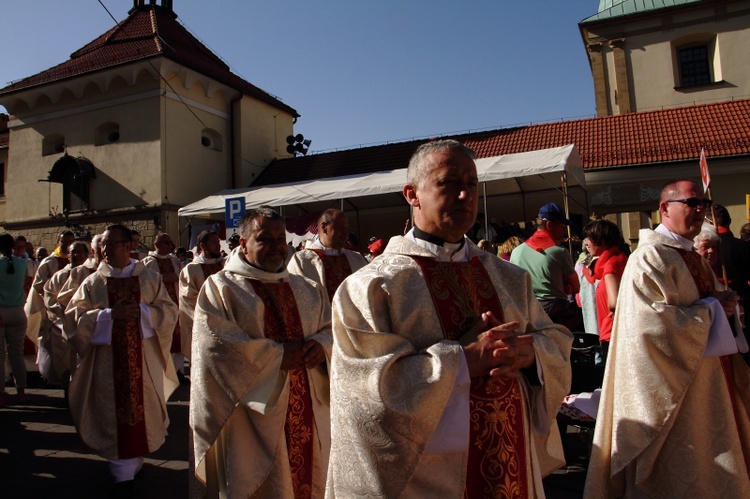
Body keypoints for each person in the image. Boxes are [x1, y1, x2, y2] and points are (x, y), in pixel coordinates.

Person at [326, 140, 572, 497]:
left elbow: (554, 339)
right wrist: (462, 360)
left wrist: (532, 355)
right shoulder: (370, 287)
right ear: (412, 194)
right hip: (427, 477)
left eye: (471, 184)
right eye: (449, 182)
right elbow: (365, 395)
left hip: (509, 459)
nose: (464, 195)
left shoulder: (508, 277)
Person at [585, 180, 750, 498]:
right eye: (693, 203)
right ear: (665, 208)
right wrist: (713, 309)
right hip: (671, 391)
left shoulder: (695, 257)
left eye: (703, 203)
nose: (701, 210)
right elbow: (651, 327)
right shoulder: (649, 258)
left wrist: (725, 305)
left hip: (708, 380)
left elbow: (708, 303)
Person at [190, 207, 332, 498]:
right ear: (243, 243)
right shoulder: (221, 288)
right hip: (250, 418)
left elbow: (332, 330)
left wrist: (322, 346)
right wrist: (277, 357)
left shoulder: (307, 288)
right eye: (265, 239)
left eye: (281, 238)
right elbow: (216, 349)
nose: (277, 246)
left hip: (307, 406)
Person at [65, 224, 178, 496]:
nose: (104, 249)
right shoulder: (93, 282)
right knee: (112, 412)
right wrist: (107, 316)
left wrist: (141, 312)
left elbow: (169, 311)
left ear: (128, 247)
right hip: (107, 364)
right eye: (103, 245)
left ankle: (132, 463)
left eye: (111, 244)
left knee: (141, 412)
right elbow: (73, 318)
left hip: (143, 361)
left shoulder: (149, 278)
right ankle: (123, 469)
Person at [510, 203, 581, 331]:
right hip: (554, 310)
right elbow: (576, 287)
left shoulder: (516, 251)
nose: (564, 230)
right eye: (562, 226)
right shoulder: (559, 252)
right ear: (549, 225)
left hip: (524, 309)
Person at [287, 209, 368, 302]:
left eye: (347, 228)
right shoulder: (302, 261)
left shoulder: (356, 259)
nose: (346, 233)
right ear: (324, 227)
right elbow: (301, 301)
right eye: (340, 228)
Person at [25, 230, 76, 377]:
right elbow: (38, 284)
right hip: (54, 309)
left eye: (70, 241)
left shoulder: (78, 259)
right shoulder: (50, 261)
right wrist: (51, 297)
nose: (67, 244)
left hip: (74, 307)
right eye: (64, 241)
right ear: (58, 242)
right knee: (56, 345)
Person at [41, 241, 91, 386]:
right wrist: (62, 312)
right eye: (73, 252)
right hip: (61, 324)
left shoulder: (91, 274)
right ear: (68, 255)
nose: (76, 255)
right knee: (64, 364)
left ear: (86, 254)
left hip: (84, 324)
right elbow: (49, 297)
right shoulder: (59, 276)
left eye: (80, 251)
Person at [580, 220, 628, 364]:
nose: (586, 243)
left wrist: (613, 309)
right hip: (616, 331)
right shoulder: (619, 258)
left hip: (612, 332)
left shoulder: (610, 265)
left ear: (602, 241)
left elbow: (614, 302)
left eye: (590, 239)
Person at [177, 229, 225, 362]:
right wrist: (210, 313)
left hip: (228, 324)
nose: (218, 245)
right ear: (202, 245)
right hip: (204, 325)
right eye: (214, 243)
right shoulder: (191, 269)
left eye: (218, 242)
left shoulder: (225, 264)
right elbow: (188, 298)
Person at [142, 233, 185, 374]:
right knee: (162, 337)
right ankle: (162, 371)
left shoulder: (175, 261)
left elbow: (182, 277)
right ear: (157, 245)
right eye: (166, 243)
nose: (170, 246)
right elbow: (146, 282)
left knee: (177, 340)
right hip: (159, 307)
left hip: (176, 304)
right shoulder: (149, 262)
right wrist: (163, 277)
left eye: (170, 243)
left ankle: (178, 371)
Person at [0, 233, 29, 406]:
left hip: (1, 311)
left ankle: (1, 394)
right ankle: (22, 392)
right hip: (18, 312)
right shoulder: (22, 264)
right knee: (16, 354)